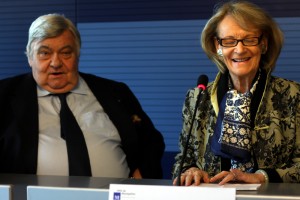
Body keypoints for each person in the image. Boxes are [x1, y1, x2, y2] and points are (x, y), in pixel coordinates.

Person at [0, 13, 165, 179]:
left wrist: (142, 174)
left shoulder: (116, 92)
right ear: (30, 57)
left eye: (66, 53)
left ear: (77, 55)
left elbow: (151, 141)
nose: (56, 63)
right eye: (44, 53)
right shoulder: (4, 95)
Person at [172, 0, 300, 186]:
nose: (240, 49)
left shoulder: (293, 95)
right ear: (218, 46)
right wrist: (190, 171)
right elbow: (182, 161)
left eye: (249, 39)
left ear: (263, 44)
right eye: (229, 41)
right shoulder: (197, 98)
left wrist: (261, 177)